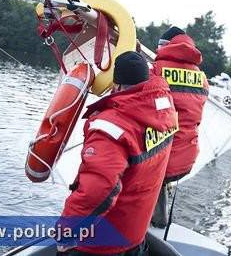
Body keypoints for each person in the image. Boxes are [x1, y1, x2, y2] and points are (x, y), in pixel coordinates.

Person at [58, 51, 178, 255]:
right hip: (134, 238)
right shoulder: (164, 112)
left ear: (117, 85)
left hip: (101, 246)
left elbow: (96, 191)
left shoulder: (112, 127)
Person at [149, 26, 208, 228]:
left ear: (164, 46)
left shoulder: (156, 70)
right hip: (186, 158)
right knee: (161, 180)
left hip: (160, 157)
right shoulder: (202, 78)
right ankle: (160, 220)